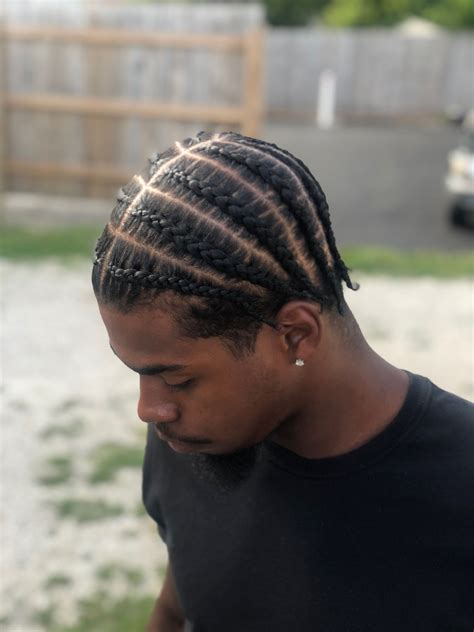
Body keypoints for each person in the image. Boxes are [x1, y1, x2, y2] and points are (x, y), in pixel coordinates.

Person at [92, 131, 474, 632]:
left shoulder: (460, 483)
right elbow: (179, 607)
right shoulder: (193, 440)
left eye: (177, 379)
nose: (149, 410)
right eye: (140, 374)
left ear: (295, 335)